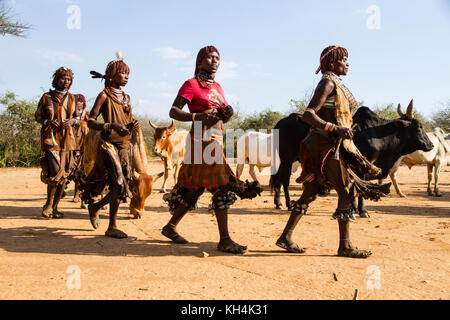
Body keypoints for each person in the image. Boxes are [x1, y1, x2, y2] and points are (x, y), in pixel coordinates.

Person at [276, 45, 390, 258]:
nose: (347, 63)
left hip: (325, 145)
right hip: (324, 146)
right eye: (344, 59)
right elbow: (308, 115)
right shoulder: (327, 83)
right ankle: (345, 245)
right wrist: (335, 128)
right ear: (331, 63)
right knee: (346, 190)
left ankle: (286, 237)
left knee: (309, 193)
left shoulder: (336, 84)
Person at [161, 46, 261, 254]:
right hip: (200, 138)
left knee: (195, 188)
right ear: (199, 61)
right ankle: (224, 240)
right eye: (209, 57)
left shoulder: (217, 86)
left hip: (216, 139)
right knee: (221, 185)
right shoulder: (191, 84)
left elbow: (220, 115)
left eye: (218, 58)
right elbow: (174, 111)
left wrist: (228, 114)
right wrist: (197, 117)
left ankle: (170, 227)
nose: (215, 61)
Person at [82, 51, 140, 238]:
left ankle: (110, 224)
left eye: (128, 74)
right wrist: (110, 125)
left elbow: (127, 120)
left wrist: (132, 125)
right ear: (112, 75)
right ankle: (100, 211)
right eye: (123, 73)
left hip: (124, 145)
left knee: (122, 186)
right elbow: (90, 121)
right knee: (117, 182)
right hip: (108, 144)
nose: (126, 77)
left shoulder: (127, 97)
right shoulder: (104, 95)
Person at [35, 67, 78, 219]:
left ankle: (55, 207)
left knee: (65, 176)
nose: (65, 81)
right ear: (56, 80)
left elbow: (77, 117)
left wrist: (72, 121)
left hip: (68, 141)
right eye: (63, 79)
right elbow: (38, 116)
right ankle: (47, 205)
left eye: (68, 79)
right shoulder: (47, 97)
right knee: (55, 173)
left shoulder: (72, 98)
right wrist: (48, 121)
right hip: (51, 139)